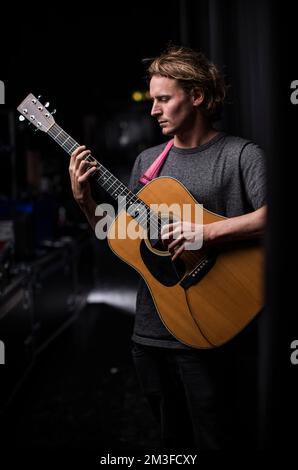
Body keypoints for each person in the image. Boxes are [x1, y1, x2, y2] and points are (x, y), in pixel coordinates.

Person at [68, 45, 266, 450]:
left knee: (220, 439)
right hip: (150, 335)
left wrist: (206, 233)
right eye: (153, 100)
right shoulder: (148, 162)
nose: (153, 110)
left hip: (214, 329)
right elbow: (122, 240)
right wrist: (86, 203)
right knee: (169, 442)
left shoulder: (241, 155)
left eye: (163, 99)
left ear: (196, 96)